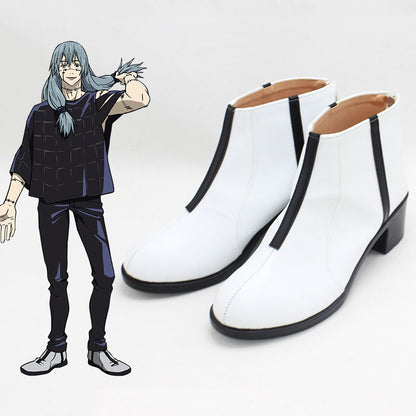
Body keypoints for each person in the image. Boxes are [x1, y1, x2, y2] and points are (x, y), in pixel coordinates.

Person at [0, 40, 150, 376]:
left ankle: (98, 348)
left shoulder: (97, 104)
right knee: (57, 280)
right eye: (64, 64)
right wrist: (9, 202)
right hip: (51, 201)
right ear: (56, 69)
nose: (70, 69)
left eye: (76, 64)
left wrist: (122, 78)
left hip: (87, 199)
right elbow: (25, 159)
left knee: (105, 275)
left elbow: (140, 98)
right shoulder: (40, 113)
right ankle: (56, 350)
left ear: (84, 69)